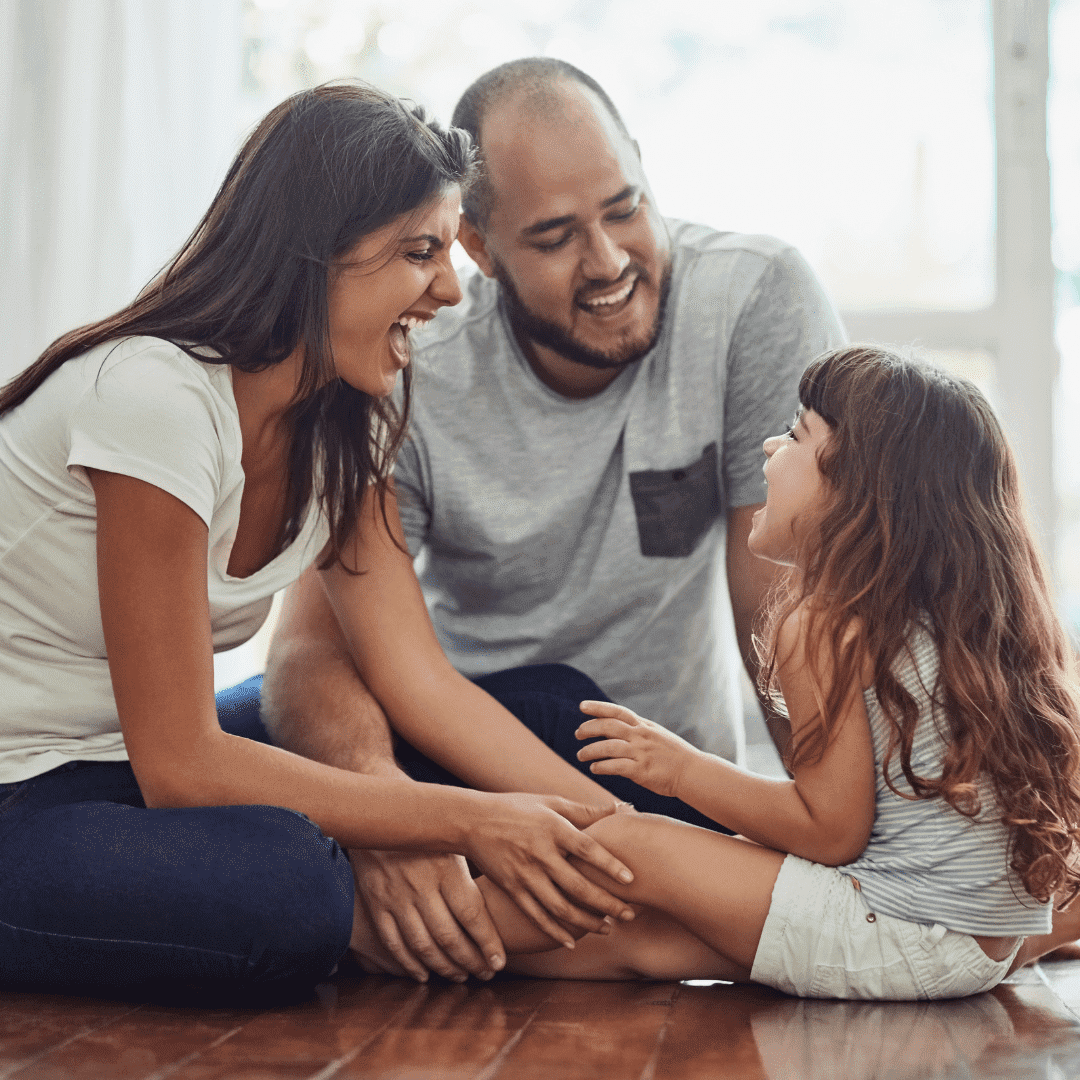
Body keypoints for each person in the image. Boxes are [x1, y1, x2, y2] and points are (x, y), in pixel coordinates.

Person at [0, 82, 640, 1000]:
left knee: (558, 711)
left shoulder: (346, 421)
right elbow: (182, 766)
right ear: (312, 257)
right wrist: (456, 825)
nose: (454, 288)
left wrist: (617, 833)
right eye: (421, 252)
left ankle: (543, 905)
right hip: (29, 791)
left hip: (139, 766)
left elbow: (414, 678)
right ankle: (461, 912)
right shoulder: (151, 398)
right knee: (290, 886)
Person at [259, 57, 845, 983]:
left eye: (624, 208)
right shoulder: (405, 362)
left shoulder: (751, 298)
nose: (609, 262)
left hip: (664, 782)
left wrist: (831, 833)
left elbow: (797, 616)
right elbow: (308, 653)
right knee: (177, 786)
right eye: (555, 236)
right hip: (455, 755)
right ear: (479, 250)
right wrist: (387, 818)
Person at [454, 345, 1080, 999]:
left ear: (852, 486)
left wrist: (680, 769)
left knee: (631, 841)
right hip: (976, 949)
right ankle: (414, 942)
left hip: (898, 930)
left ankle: (424, 924)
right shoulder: (955, 625)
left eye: (795, 435)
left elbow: (830, 831)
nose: (767, 446)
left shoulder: (825, 624)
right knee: (641, 936)